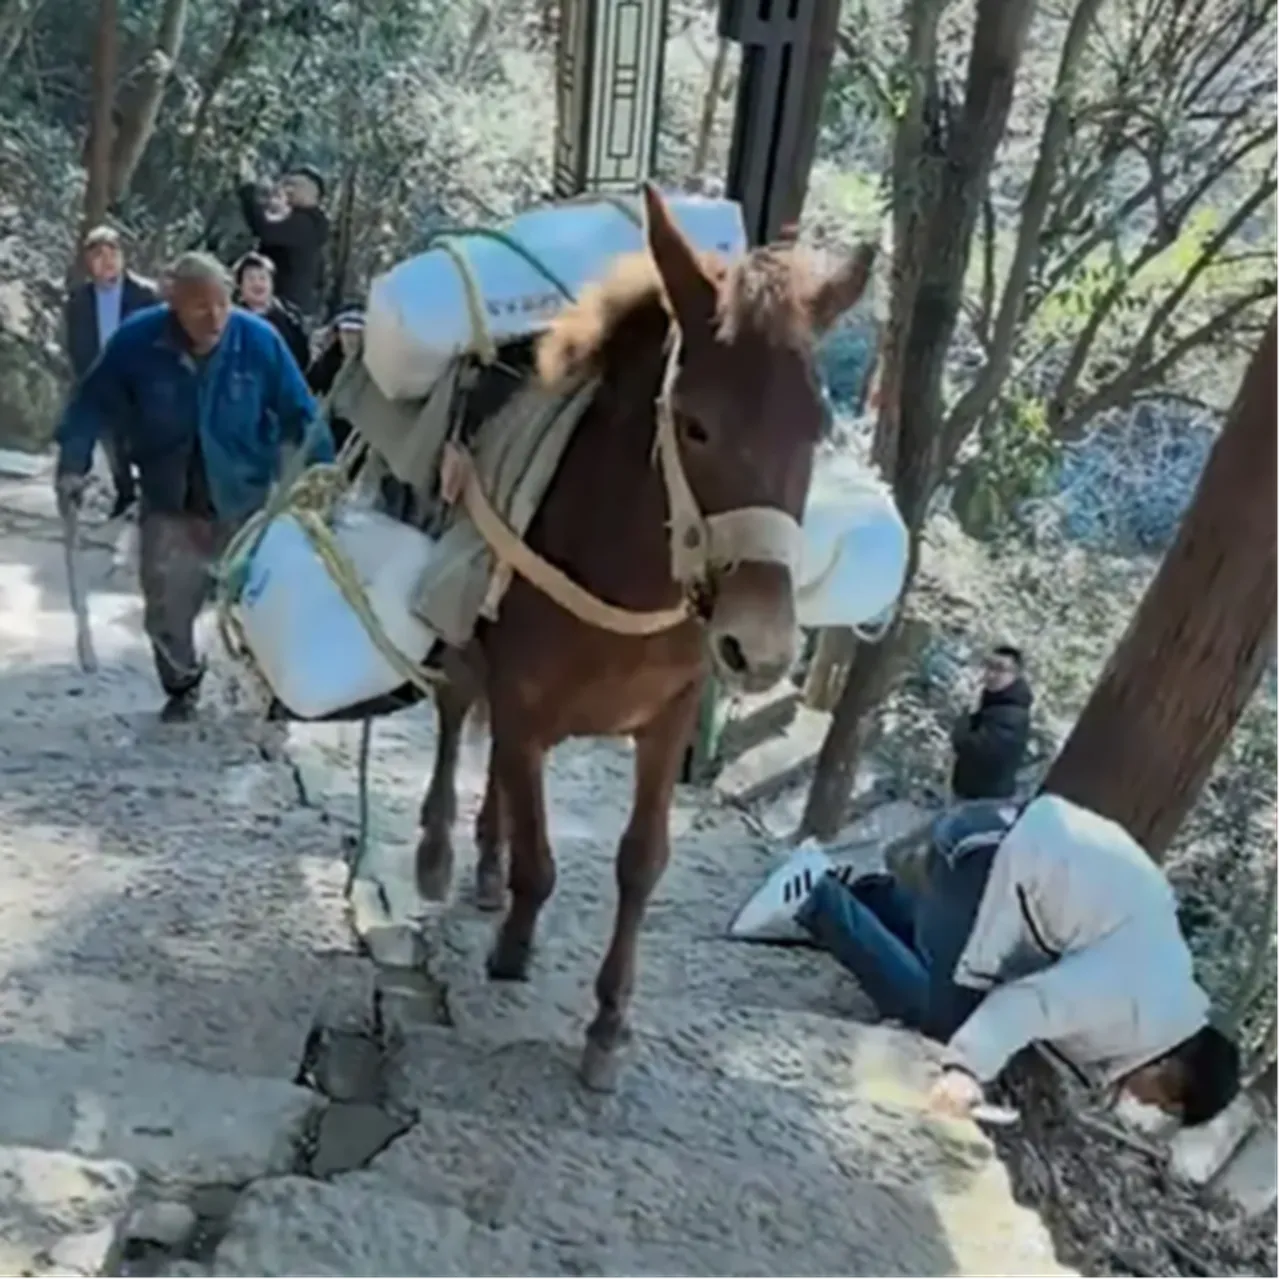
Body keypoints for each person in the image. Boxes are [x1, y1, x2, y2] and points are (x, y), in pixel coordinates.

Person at [795, 795, 1241, 1131]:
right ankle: (815, 896)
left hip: (1000, 844)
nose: (1144, 1106)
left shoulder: (1162, 992)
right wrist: (965, 1070)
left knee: (957, 983)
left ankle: (863, 895)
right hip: (988, 857)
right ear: (1172, 1071)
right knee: (938, 1023)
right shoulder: (1136, 1005)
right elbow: (1032, 1003)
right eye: (1161, 1102)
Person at [54, 252, 334, 722]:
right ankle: (183, 685)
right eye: (200, 306)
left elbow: (302, 415)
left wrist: (320, 481)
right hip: (170, 498)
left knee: (265, 603)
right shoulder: (137, 341)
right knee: (166, 610)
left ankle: (269, 687)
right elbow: (90, 403)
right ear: (172, 304)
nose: (216, 317)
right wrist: (72, 464)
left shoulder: (259, 341)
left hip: (243, 501)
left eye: (223, 303)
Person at [63, 225, 160, 517]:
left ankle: (152, 498)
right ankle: (124, 493)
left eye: (113, 253)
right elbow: (77, 346)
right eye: (98, 255)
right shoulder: (79, 301)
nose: (107, 261)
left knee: (146, 442)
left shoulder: (145, 295)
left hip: (139, 381)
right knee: (108, 438)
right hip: (101, 379)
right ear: (89, 263)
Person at [237, 162, 329, 319]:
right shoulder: (300, 221)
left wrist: (247, 190)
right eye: (286, 184)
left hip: (285, 308)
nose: (288, 190)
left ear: (313, 193)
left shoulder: (306, 222)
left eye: (295, 186)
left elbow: (266, 230)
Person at [950, 643, 1032, 800]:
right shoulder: (994, 703)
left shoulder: (1011, 716)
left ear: (1015, 675)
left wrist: (966, 713)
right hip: (972, 793)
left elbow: (966, 745)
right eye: (989, 666)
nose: (991, 674)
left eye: (1000, 669)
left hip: (983, 800)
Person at [233, 251, 310, 372]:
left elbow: (302, 355)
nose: (258, 283)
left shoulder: (290, 315)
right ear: (240, 286)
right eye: (251, 278)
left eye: (263, 278)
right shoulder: (233, 319)